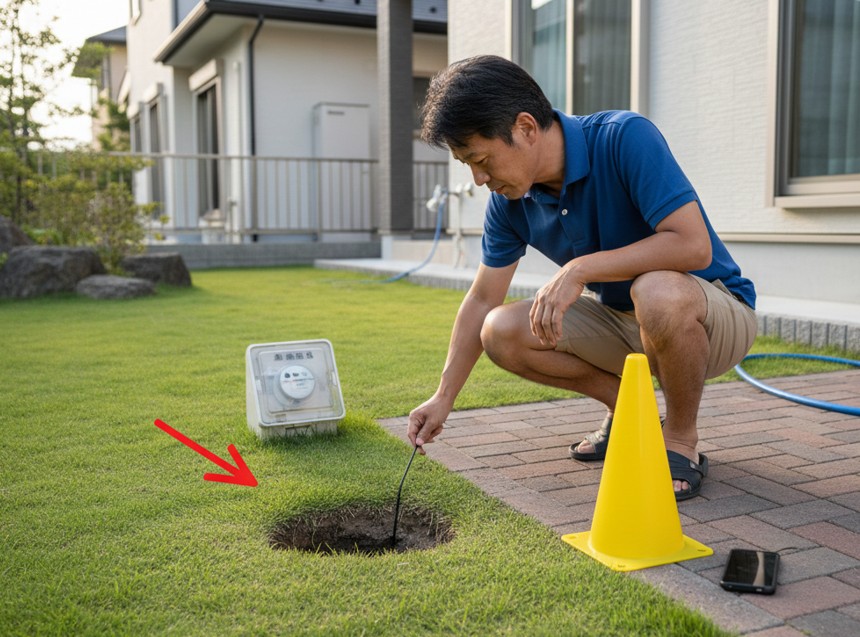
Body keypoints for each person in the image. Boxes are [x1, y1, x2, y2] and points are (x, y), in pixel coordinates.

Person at [406, 55, 757, 500]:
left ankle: (681, 439)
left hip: (712, 311)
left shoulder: (624, 138)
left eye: (481, 159)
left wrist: (580, 268)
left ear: (526, 128)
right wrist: (443, 396)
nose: (479, 179)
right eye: (467, 166)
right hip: (624, 320)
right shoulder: (510, 203)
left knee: (657, 290)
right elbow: (481, 300)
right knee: (500, 329)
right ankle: (630, 411)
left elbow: (692, 245)